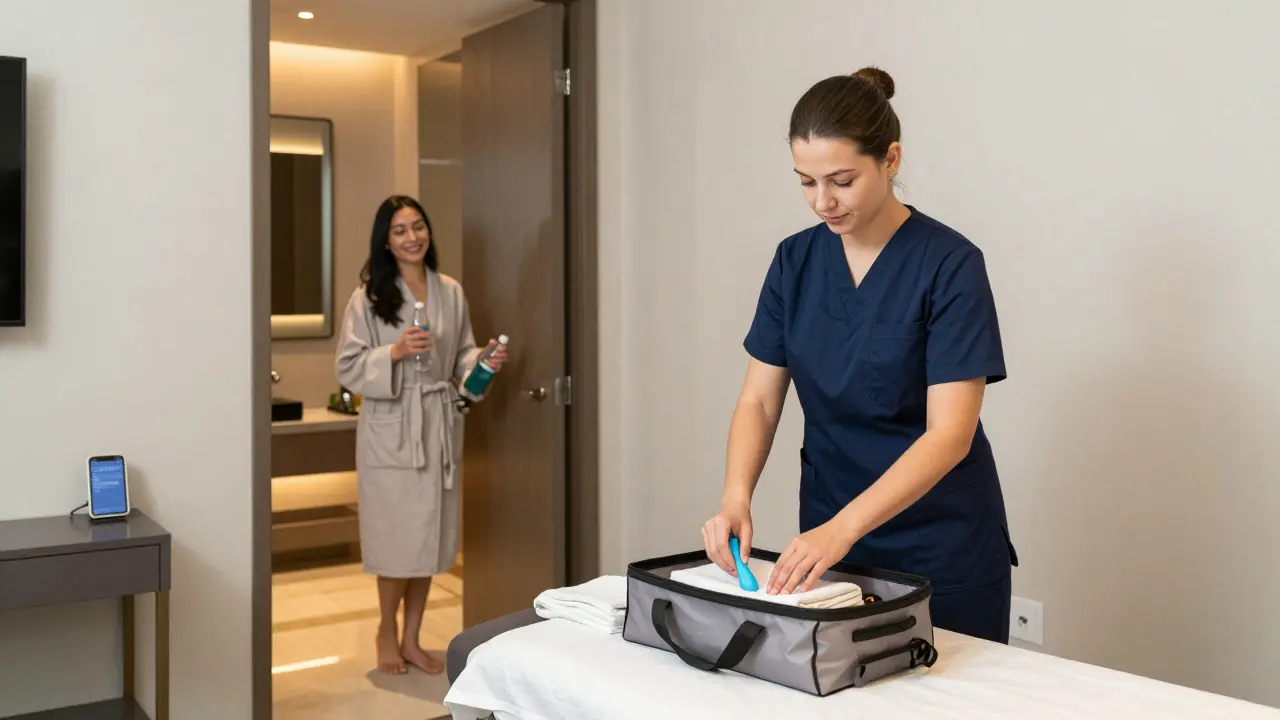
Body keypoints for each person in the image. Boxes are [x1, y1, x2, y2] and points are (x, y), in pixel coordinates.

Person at [701, 67, 1018, 643]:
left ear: (890, 159)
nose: (822, 201)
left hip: (937, 539)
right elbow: (759, 401)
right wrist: (735, 496)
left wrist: (842, 530)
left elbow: (951, 434)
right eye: (805, 182)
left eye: (842, 180)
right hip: (829, 536)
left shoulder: (949, 265)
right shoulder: (793, 263)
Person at [336, 195, 508, 675]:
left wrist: (485, 361)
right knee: (396, 540)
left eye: (418, 226)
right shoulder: (369, 297)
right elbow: (347, 366)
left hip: (437, 424)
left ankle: (413, 637)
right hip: (392, 429)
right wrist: (392, 353)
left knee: (429, 540)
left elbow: (463, 357)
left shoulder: (449, 291)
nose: (412, 237)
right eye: (399, 230)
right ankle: (386, 630)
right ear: (385, 242)